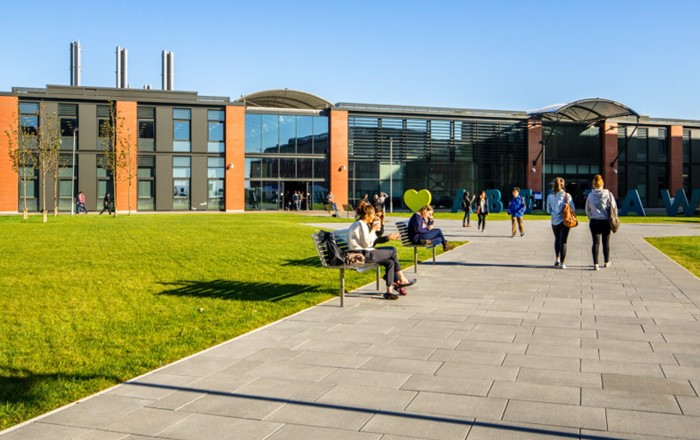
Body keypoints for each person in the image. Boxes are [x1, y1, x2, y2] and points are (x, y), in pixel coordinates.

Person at [348, 204, 416, 300]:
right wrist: (373, 230)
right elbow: (367, 243)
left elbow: (373, 241)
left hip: (365, 252)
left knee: (390, 262)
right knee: (392, 251)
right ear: (367, 215)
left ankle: (389, 292)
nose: (374, 217)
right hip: (361, 255)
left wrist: (379, 230)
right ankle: (401, 279)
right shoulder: (360, 225)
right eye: (373, 215)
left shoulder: (363, 224)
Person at [585, 174, 617, 270]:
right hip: (605, 221)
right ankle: (606, 262)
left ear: (593, 184)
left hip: (595, 221)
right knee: (606, 242)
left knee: (595, 242)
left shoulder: (590, 195)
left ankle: (596, 264)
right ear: (602, 183)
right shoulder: (608, 194)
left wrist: (591, 217)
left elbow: (587, 209)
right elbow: (614, 208)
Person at [547, 177, 575, 269]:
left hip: (554, 221)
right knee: (563, 242)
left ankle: (557, 259)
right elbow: (573, 209)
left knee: (557, 239)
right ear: (563, 185)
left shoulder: (550, 196)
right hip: (565, 220)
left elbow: (548, 210)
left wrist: (555, 213)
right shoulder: (567, 196)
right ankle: (562, 263)